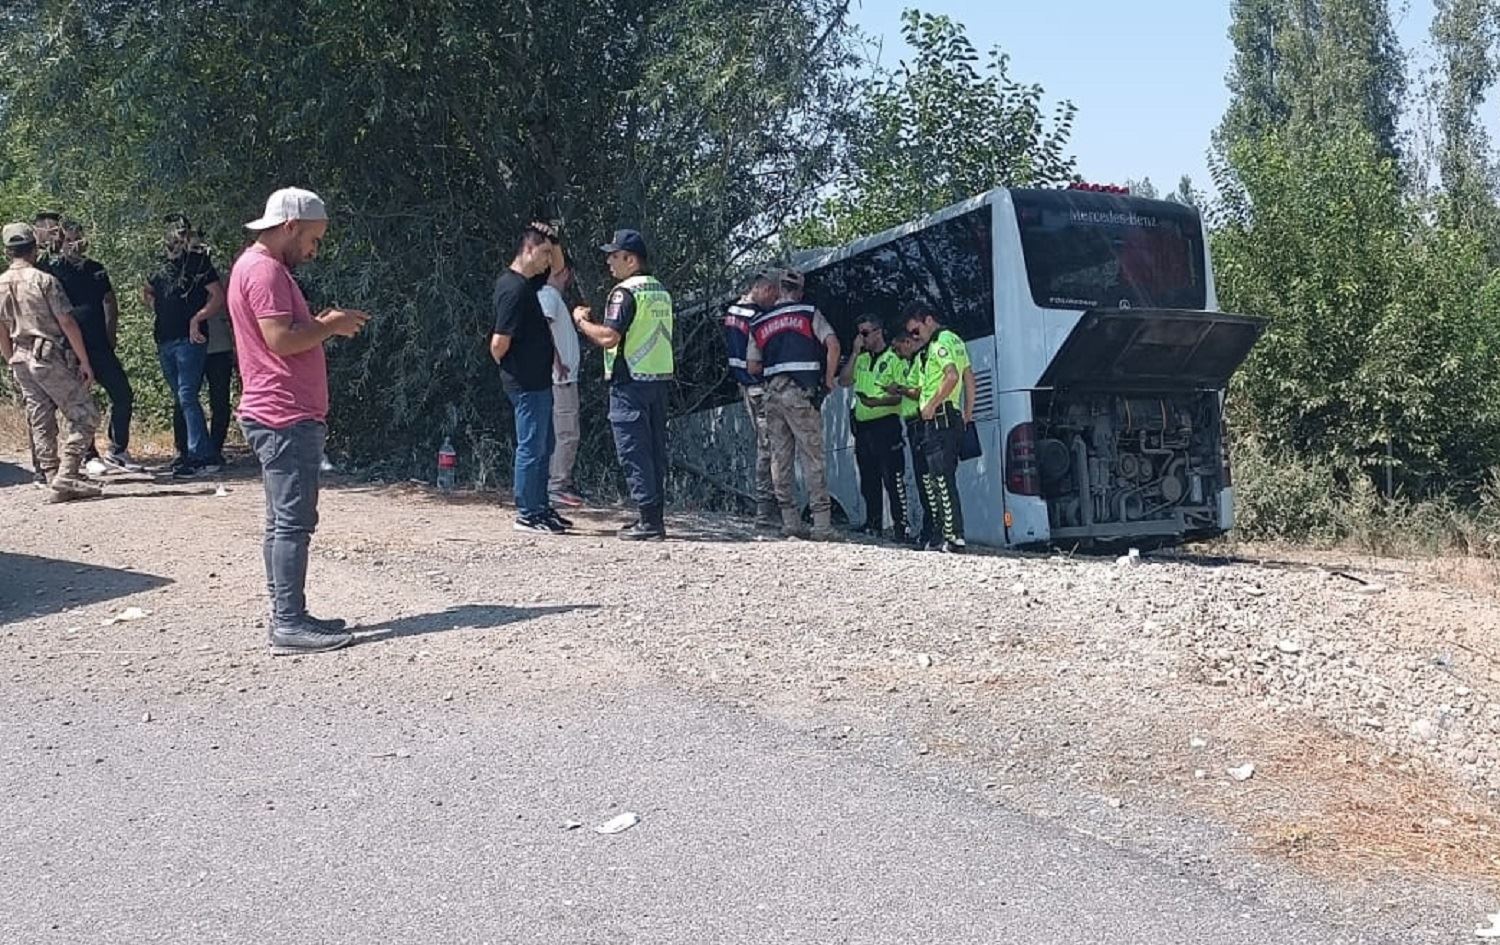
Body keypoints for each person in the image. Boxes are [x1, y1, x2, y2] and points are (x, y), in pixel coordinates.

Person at [228, 186, 369, 656]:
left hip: (278, 412)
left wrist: (322, 323)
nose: (314, 249)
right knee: (292, 522)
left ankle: (288, 613)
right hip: (283, 414)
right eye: (313, 239)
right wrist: (330, 326)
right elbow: (281, 340)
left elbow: (284, 334)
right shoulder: (265, 270)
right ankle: (288, 622)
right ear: (290, 226)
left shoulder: (256, 266)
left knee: (281, 521)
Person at [572, 228, 674, 541]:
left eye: (614, 256)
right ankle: (653, 517)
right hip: (657, 380)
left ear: (631, 260)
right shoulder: (660, 290)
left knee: (633, 450)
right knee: (654, 451)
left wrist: (581, 322)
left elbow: (609, 337)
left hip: (629, 381)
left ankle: (649, 522)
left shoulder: (624, 292)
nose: (609, 262)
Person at [0, 222, 100, 502]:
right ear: (34, 248)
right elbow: (66, 321)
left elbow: (1, 328)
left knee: (40, 417)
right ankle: (67, 475)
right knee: (86, 414)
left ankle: (50, 474)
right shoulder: (44, 280)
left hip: (20, 356)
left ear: (7, 251)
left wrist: (10, 359)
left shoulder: (1, 283)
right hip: (47, 354)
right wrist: (84, 361)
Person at [745, 268, 840, 540]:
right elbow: (833, 345)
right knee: (812, 456)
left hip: (772, 396)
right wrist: (828, 380)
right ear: (799, 290)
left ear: (778, 289)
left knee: (780, 458)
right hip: (801, 394)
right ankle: (821, 525)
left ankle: (790, 522)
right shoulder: (808, 313)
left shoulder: (759, 322)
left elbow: (752, 366)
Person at [490, 221, 571, 534]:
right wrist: (509, 365)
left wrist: (554, 241)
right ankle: (527, 512)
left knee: (544, 445)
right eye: (544, 253)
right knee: (531, 447)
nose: (548, 259)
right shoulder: (512, 288)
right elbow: (499, 342)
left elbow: (559, 273)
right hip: (525, 382)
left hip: (539, 380)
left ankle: (540, 507)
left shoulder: (528, 283)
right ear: (528, 249)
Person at [42, 220, 139, 473]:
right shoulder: (53, 270)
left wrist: (111, 334)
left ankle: (118, 450)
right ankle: (88, 454)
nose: (74, 245)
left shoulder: (96, 269)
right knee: (81, 401)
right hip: (70, 347)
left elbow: (110, 301)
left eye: (78, 239)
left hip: (99, 345)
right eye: (69, 240)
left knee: (123, 394)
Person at [145, 213, 224, 478]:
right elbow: (147, 290)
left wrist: (197, 318)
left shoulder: (198, 262)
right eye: (172, 231)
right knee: (181, 397)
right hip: (164, 338)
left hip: (191, 340)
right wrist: (158, 307)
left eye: (181, 232)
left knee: (187, 395)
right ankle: (191, 454)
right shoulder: (157, 264)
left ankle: (201, 455)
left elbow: (217, 296)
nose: (176, 236)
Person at [904, 301, 970, 552]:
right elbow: (969, 378)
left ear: (928, 320)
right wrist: (967, 414)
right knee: (937, 478)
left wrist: (931, 404)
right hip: (950, 416)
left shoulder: (939, 343)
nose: (915, 337)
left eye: (916, 330)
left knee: (941, 479)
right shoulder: (955, 340)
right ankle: (941, 535)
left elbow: (952, 376)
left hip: (939, 418)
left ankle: (953, 536)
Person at [838, 315, 908, 540]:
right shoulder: (862, 359)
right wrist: (855, 352)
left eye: (865, 333)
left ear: (878, 332)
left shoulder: (894, 357)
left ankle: (901, 526)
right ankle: (873, 523)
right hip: (863, 427)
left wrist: (877, 402)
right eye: (859, 333)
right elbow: (843, 381)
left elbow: (901, 395)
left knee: (893, 478)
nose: (862, 338)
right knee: (868, 479)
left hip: (886, 425)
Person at [722, 267, 780, 528]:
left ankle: (768, 509)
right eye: (774, 296)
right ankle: (766, 511)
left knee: (765, 445)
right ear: (766, 289)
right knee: (770, 448)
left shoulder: (733, 311)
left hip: (745, 386)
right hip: (760, 386)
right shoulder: (757, 318)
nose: (774, 302)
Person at [540, 250, 584, 509]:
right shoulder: (548, 296)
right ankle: (558, 484)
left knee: (564, 431)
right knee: (567, 432)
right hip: (561, 377)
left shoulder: (552, 297)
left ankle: (557, 482)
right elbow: (544, 328)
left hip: (563, 375)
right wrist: (557, 362)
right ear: (565, 272)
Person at [886, 328, 934, 548]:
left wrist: (900, 389)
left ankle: (932, 531)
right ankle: (928, 530)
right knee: (922, 480)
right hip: (912, 424)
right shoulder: (912, 361)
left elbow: (919, 391)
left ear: (907, 342)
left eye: (898, 349)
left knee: (927, 479)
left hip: (920, 422)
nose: (897, 354)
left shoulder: (921, 359)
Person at [203, 301, 236, 467]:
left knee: (220, 400)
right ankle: (187, 450)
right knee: (185, 400)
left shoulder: (226, 285)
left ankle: (215, 448)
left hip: (220, 344)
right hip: (189, 343)